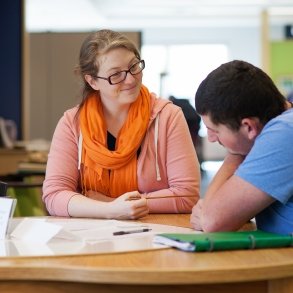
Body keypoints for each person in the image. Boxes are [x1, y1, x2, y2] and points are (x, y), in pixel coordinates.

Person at [42, 29, 200, 220]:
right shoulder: (72, 124)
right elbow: (54, 195)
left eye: (134, 66)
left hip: (155, 237)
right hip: (92, 239)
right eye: (116, 75)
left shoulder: (168, 117)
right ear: (92, 81)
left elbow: (187, 195)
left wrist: (110, 202)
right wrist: (111, 210)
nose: (131, 79)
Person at [190, 60, 293, 235]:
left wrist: (235, 152)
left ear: (249, 127)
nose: (211, 138)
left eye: (214, 130)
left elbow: (212, 222)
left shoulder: (285, 131)